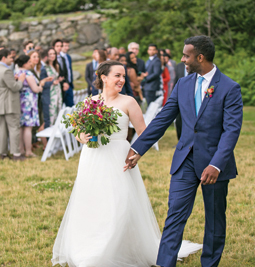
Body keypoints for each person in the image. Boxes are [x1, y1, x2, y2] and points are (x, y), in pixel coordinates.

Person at [52, 60, 202, 267]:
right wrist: (82, 136)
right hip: (92, 158)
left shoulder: (129, 102)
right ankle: (89, 247)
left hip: (119, 157)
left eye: (123, 76)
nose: (122, 80)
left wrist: (137, 153)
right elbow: (78, 130)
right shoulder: (90, 101)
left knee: (119, 203)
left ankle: (113, 249)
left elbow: (144, 133)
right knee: (91, 200)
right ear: (103, 77)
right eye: (117, 76)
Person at [125, 35, 243, 267]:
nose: (182, 59)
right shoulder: (183, 84)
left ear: (200, 57)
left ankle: (209, 263)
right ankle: (164, 264)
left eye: (186, 55)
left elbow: (231, 131)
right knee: (175, 215)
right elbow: (162, 119)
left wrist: (216, 164)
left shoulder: (230, 88)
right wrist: (138, 148)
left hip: (215, 164)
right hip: (185, 160)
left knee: (215, 220)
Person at [15, 55, 46, 157]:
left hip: (19, 102)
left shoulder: (16, 72)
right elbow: (35, 89)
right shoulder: (28, 73)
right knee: (28, 127)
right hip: (29, 102)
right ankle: (28, 151)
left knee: (20, 127)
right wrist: (41, 86)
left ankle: (20, 150)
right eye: (29, 62)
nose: (30, 63)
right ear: (24, 63)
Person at [0, 49, 26, 161]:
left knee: (2, 130)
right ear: (4, 58)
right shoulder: (6, 70)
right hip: (10, 103)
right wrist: (20, 80)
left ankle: (3, 153)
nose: (12, 60)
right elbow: (14, 87)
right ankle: (16, 154)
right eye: (11, 57)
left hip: (1, 103)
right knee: (14, 129)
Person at [45, 48, 64, 126]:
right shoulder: (45, 66)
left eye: (54, 54)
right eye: (50, 54)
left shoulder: (56, 65)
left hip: (57, 88)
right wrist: (52, 82)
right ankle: (51, 127)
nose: (52, 56)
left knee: (59, 107)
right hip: (51, 89)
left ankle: (57, 127)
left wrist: (59, 80)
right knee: (52, 109)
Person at [173, 61, 188, 140]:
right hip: (180, 96)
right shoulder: (179, 66)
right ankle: (180, 140)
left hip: (191, 96)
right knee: (179, 119)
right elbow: (176, 80)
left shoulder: (196, 66)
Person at [52, 39, 70, 104]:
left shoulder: (63, 58)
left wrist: (66, 83)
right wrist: (62, 83)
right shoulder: (52, 60)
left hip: (64, 86)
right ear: (53, 47)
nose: (59, 48)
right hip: (56, 87)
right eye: (57, 46)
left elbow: (66, 73)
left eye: (61, 46)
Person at [61, 39, 74, 107]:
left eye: (68, 46)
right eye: (65, 46)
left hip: (69, 84)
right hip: (62, 85)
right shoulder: (58, 58)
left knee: (71, 106)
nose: (67, 48)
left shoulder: (68, 57)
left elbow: (69, 71)